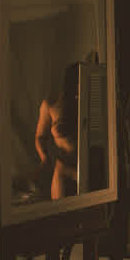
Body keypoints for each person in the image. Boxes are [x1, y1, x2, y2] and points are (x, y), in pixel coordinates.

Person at [35, 67, 78, 200]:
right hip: (64, 170)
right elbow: (40, 137)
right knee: (64, 211)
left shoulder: (94, 102)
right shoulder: (52, 103)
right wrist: (44, 158)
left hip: (92, 165)